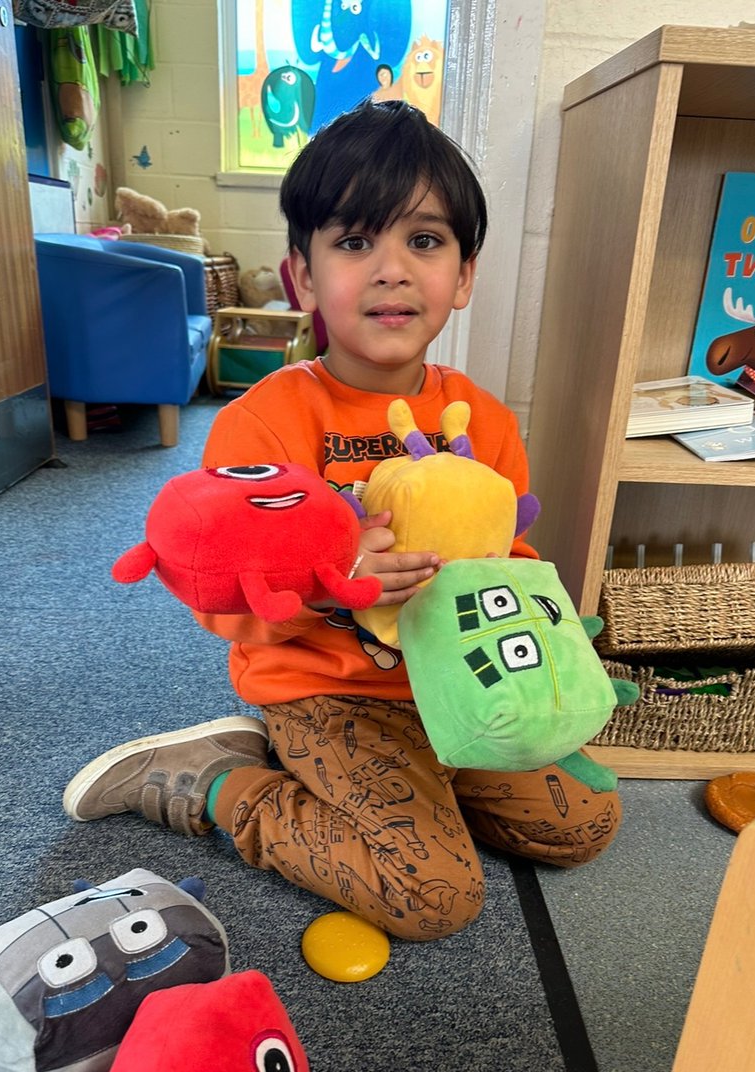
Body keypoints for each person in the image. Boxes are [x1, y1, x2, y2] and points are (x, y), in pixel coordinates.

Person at [63, 100, 622, 941]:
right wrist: (328, 589)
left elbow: (509, 559)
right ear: (302, 275)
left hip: (457, 694)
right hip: (325, 691)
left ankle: (412, 795)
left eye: (424, 241)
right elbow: (216, 596)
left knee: (582, 825)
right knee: (434, 898)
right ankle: (213, 782)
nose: (392, 269)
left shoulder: (486, 421)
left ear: (464, 275)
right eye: (355, 242)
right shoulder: (264, 421)